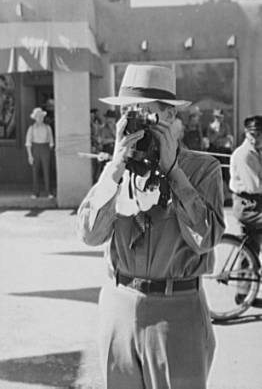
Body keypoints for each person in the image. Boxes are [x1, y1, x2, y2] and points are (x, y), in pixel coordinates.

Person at [77, 64, 225, 389]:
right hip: (119, 305)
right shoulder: (118, 169)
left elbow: (206, 239)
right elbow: (89, 233)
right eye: (129, 114)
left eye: (146, 115)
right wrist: (115, 166)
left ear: (170, 118)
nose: (136, 124)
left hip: (177, 313)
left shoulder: (202, 169)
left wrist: (174, 172)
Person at [229, 115, 262, 303]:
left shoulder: (256, 150)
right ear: (246, 133)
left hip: (255, 204)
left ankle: (244, 294)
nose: (255, 139)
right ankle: (243, 293)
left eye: (259, 135)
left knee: (250, 248)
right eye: (252, 134)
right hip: (247, 206)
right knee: (250, 247)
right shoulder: (244, 154)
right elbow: (254, 187)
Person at [25, 107, 54, 198]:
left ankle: (49, 192)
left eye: (41, 116)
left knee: (47, 171)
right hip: (35, 149)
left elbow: (51, 142)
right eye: (38, 117)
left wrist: (49, 150)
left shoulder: (47, 128)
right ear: (35, 118)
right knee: (35, 171)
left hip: (45, 148)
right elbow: (28, 143)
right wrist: (30, 155)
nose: (40, 118)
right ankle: (35, 192)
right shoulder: (31, 128)